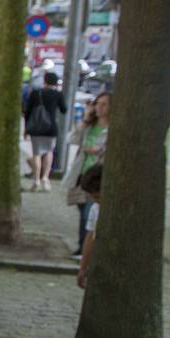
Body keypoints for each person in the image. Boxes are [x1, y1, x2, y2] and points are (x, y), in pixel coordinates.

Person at [68, 92, 110, 255]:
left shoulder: (112, 128)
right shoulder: (90, 126)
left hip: (98, 176)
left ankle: (86, 251)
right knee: (83, 212)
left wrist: (100, 150)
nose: (99, 107)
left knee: (89, 214)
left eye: (104, 104)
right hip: (83, 174)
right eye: (98, 104)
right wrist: (85, 119)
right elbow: (72, 139)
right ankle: (82, 246)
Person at [23, 71, 67, 191]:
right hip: (50, 127)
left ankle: (36, 179)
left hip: (36, 128)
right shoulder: (58, 94)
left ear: (45, 81)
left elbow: (28, 111)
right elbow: (64, 109)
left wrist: (26, 128)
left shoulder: (36, 93)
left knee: (36, 153)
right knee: (49, 152)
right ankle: (45, 178)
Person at [77, 163, 103, 290]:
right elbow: (90, 236)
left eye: (97, 197)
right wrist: (83, 267)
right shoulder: (95, 209)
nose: (95, 200)